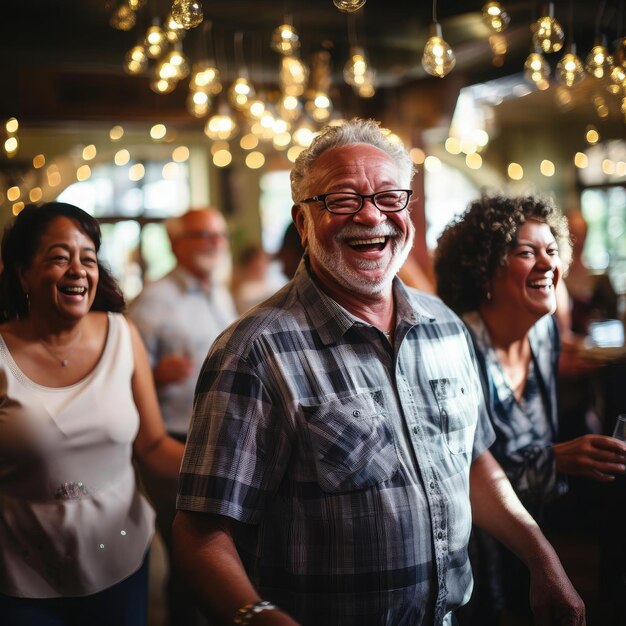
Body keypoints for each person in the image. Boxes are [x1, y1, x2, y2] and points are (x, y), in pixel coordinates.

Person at [172, 119, 585, 626]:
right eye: (342, 199)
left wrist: (544, 560)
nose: (371, 216)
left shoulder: (445, 327)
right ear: (303, 223)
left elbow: (474, 462)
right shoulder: (254, 351)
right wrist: (258, 617)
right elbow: (200, 531)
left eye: (390, 198)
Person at [434, 194, 626, 624]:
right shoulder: (454, 348)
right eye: (526, 252)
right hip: (470, 562)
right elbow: (456, 476)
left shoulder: (543, 336)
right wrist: (554, 460)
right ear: (484, 267)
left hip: (534, 540)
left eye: (552, 250)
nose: (546, 263)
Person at [0, 202, 184, 626]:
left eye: (88, 258)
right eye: (59, 258)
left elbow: (153, 446)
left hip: (120, 556)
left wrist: (227, 472)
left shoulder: (123, 334)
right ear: (23, 272)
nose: (78, 270)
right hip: (20, 570)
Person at [129, 206, 238, 626]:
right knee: (189, 553)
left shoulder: (219, 292)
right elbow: (120, 380)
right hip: (172, 440)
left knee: (217, 548)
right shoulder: (152, 303)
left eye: (219, 235)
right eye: (202, 235)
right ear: (176, 243)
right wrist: (154, 375)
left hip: (220, 437)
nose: (214, 243)